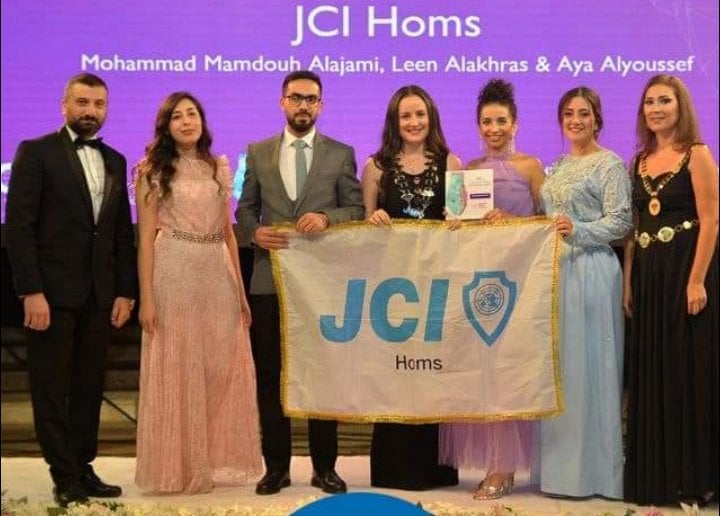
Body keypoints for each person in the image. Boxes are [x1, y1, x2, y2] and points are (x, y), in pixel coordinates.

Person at [5, 73, 136, 507]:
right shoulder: (36, 152)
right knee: (50, 388)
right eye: (82, 102)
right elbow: (19, 228)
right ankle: (63, 475)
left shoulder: (115, 159)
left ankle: (82, 466)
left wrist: (124, 291)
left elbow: (120, 235)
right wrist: (30, 291)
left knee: (88, 388)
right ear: (64, 105)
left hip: (100, 297)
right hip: (50, 296)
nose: (90, 111)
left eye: (98, 104)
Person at [236, 70, 364, 495]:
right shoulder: (258, 153)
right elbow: (245, 211)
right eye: (296, 98)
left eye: (311, 99)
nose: (303, 105)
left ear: (321, 105)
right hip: (269, 280)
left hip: (322, 283)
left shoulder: (341, 154)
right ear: (282, 102)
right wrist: (255, 233)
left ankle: (324, 468)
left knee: (322, 374)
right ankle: (276, 467)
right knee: (271, 376)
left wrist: (328, 217)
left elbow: (357, 210)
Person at [133, 92, 262, 493]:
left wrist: (240, 292)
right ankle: (180, 466)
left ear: (202, 121)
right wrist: (147, 298)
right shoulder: (151, 170)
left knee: (217, 367)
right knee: (179, 366)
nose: (187, 121)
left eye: (192, 114)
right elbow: (145, 239)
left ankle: (208, 459)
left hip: (216, 271)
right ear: (166, 125)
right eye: (177, 116)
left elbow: (228, 233)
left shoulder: (217, 167)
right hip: (174, 268)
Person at [439, 78, 545, 499]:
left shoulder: (532, 167)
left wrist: (513, 223)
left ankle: (505, 466)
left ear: (515, 123)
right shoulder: (467, 172)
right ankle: (494, 462)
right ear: (478, 125)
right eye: (487, 121)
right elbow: (462, 229)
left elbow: (548, 223)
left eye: (501, 121)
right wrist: (454, 223)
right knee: (484, 372)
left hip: (521, 283)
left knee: (511, 371)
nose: (494, 128)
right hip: (481, 283)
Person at [622, 74, 719, 507]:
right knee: (653, 371)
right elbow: (634, 228)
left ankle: (694, 480)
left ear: (681, 106)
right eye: (649, 102)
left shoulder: (697, 154)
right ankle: (658, 478)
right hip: (649, 275)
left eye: (664, 100)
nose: (656, 109)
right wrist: (629, 281)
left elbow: (712, 219)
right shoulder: (639, 161)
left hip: (685, 271)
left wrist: (696, 279)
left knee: (687, 372)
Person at [362, 84, 461, 490]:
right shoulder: (375, 167)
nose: (414, 122)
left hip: (436, 288)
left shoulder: (451, 163)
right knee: (396, 373)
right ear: (394, 121)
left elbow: (461, 222)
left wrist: (458, 222)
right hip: (393, 290)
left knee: (431, 373)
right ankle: (393, 468)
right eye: (406, 115)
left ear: (431, 117)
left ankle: (432, 468)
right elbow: (362, 227)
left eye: (420, 114)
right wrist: (372, 220)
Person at [538, 86, 632, 499]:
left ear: (597, 119)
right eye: (568, 114)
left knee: (593, 367)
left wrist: (579, 230)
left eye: (584, 113)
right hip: (557, 271)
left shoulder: (609, 164)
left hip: (593, 270)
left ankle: (597, 475)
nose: (575, 120)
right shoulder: (558, 166)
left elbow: (622, 222)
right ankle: (561, 474)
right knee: (565, 371)